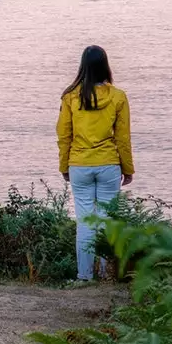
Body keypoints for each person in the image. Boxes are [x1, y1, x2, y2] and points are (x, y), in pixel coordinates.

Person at [57, 44, 134, 282]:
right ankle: (104, 275)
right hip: (109, 164)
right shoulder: (118, 97)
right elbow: (123, 137)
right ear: (105, 66)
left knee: (85, 222)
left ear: (83, 67)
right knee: (105, 221)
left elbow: (64, 135)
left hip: (79, 164)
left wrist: (64, 167)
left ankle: (84, 276)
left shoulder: (70, 96)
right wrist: (128, 169)